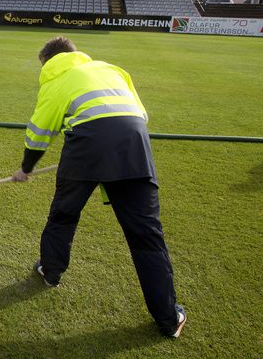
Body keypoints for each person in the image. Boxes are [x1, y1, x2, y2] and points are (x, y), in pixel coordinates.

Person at [13, 36, 186, 338]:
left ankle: (51, 272)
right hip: (133, 147)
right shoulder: (112, 69)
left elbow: (40, 132)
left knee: (64, 216)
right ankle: (169, 319)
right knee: (146, 237)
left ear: (48, 62)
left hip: (85, 150)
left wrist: (25, 169)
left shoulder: (56, 80)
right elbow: (139, 115)